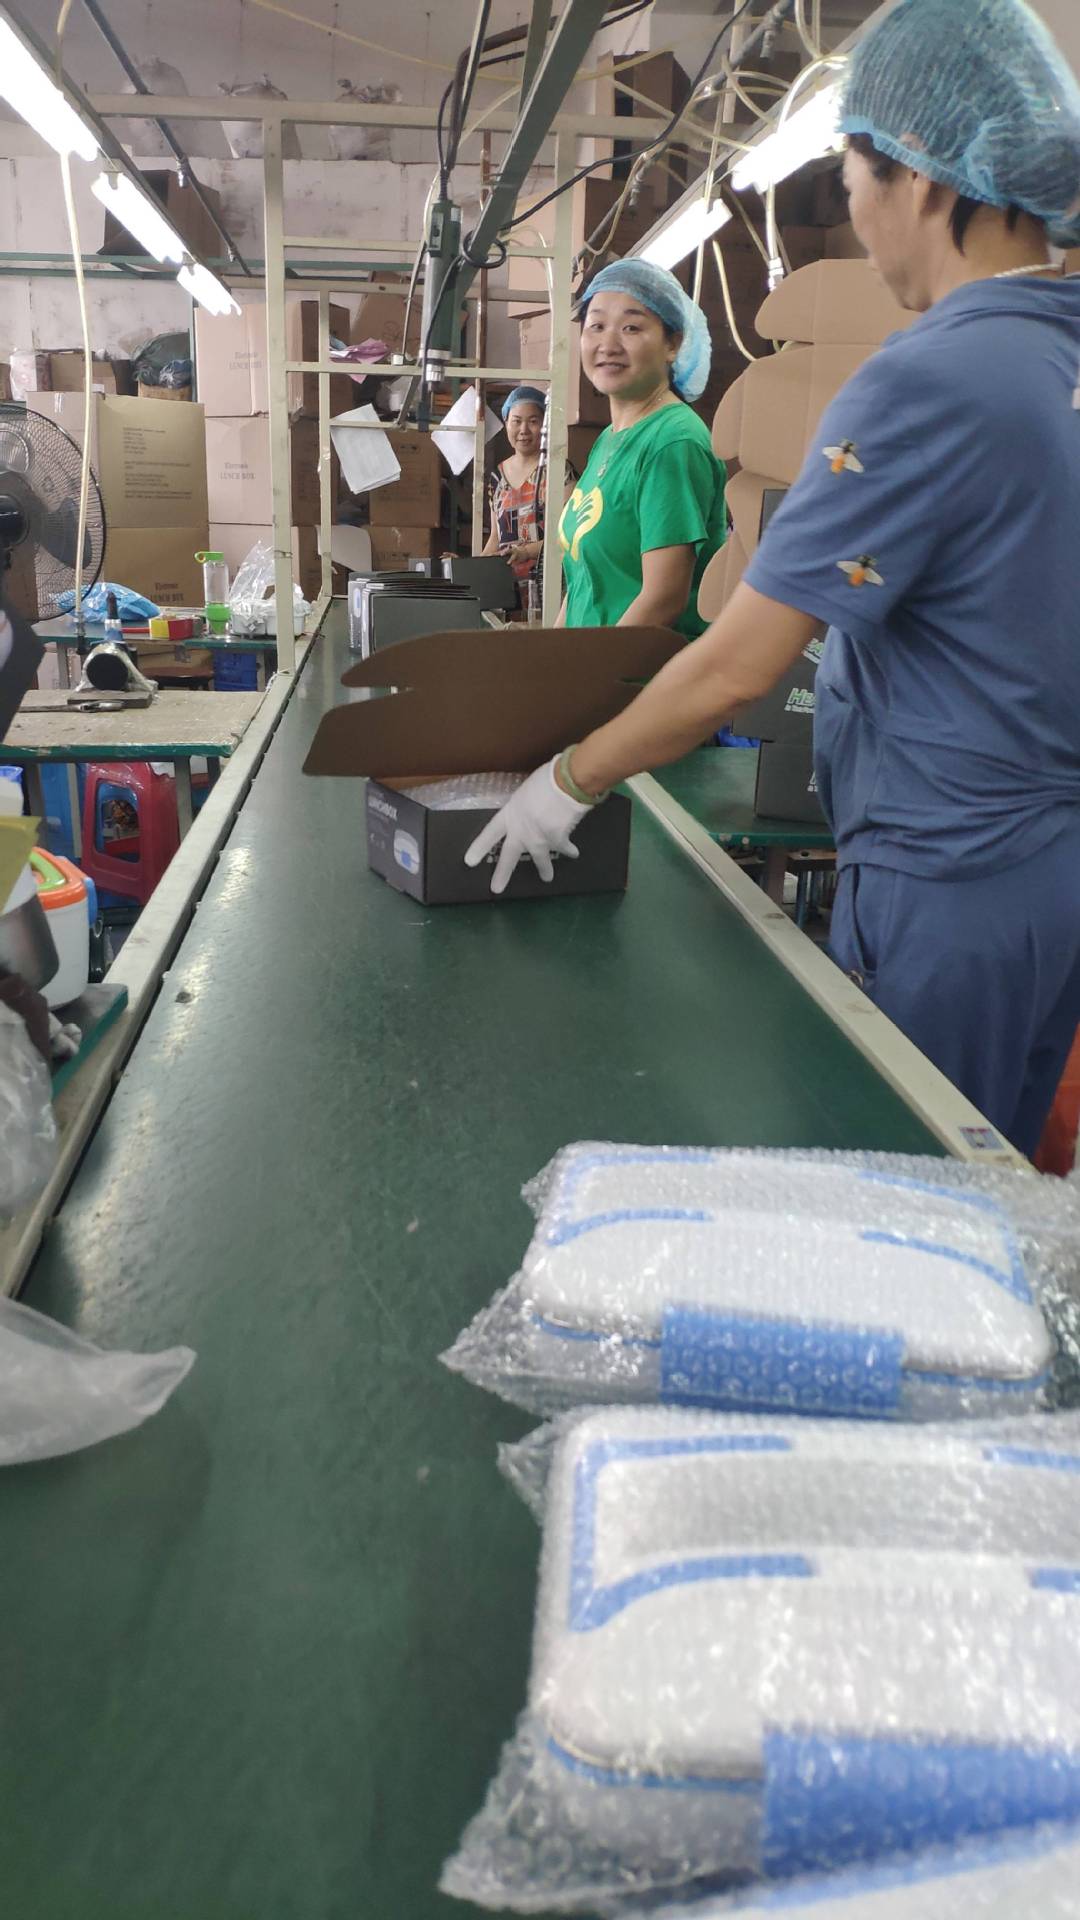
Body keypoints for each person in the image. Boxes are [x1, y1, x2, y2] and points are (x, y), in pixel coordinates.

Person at [466, 0, 1080, 1159]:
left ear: (918, 177)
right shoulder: (1061, 351)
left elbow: (739, 664)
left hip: (948, 877)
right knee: (989, 1176)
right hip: (1049, 881)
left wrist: (568, 779)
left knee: (900, 1193)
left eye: (850, 176)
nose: (854, 215)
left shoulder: (928, 380)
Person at [556, 260, 727, 638]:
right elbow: (585, 579)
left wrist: (591, 668)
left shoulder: (673, 442)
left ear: (673, 344)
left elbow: (663, 598)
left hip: (643, 670)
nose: (608, 344)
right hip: (594, 666)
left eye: (631, 327)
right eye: (596, 326)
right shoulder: (610, 438)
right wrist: (554, 657)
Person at [482, 386, 570, 611]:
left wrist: (525, 552)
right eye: (516, 421)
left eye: (533, 421)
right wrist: (466, 566)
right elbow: (495, 539)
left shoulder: (559, 472)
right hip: (508, 593)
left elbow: (569, 535)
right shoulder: (496, 477)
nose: (524, 430)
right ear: (506, 424)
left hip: (551, 589)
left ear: (545, 426)